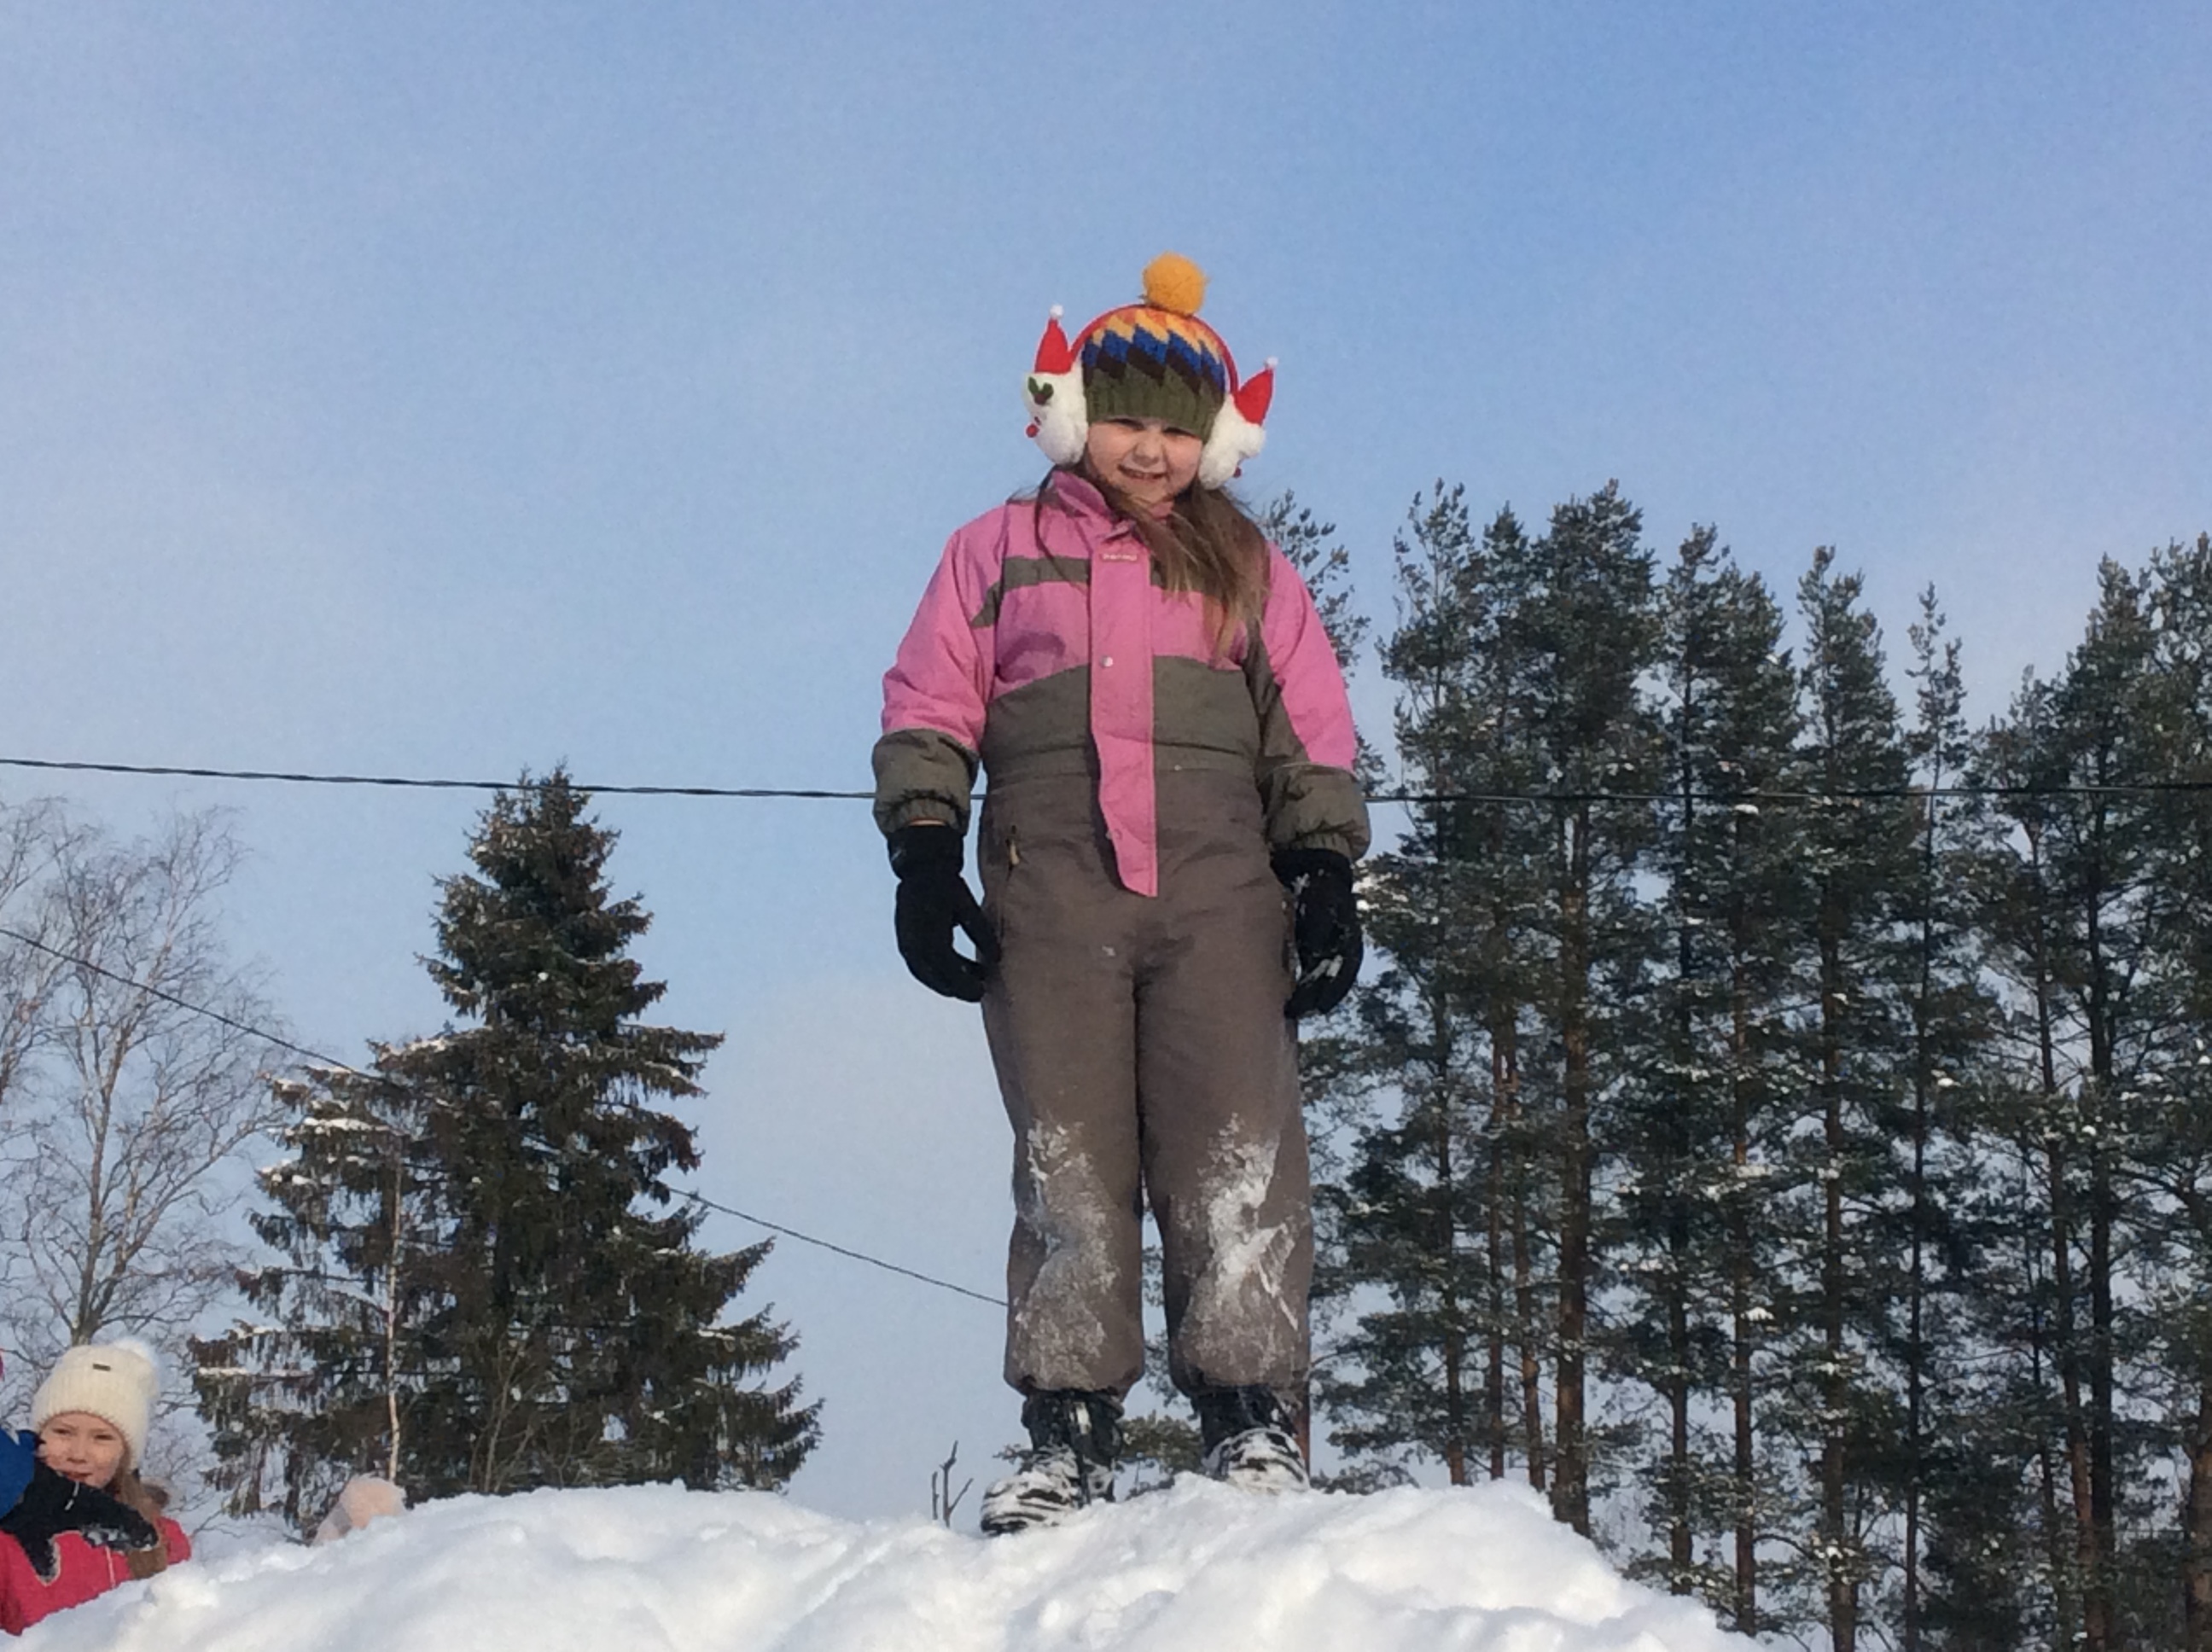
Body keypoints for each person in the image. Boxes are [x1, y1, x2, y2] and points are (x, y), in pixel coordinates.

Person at [874, 253, 1368, 1534]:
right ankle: (1069, 1428)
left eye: (1177, 430)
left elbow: (1309, 727)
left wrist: (1323, 867)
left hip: (1220, 896)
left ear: (1213, 442)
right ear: (1079, 416)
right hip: (1051, 889)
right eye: (1129, 422)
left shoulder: (1245, 566)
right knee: (1069, 1160)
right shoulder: (994, 551)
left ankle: (1248, 1414)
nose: (1150, 451)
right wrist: (925, 852)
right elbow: (930, 700)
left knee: (1234, 1148)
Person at [0, 1341, 189, 1636]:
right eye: (63, 1432)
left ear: (125, 1454)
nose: (78, 1453)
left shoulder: (165, 1539)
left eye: (102, 1438)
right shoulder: (7, 1537)